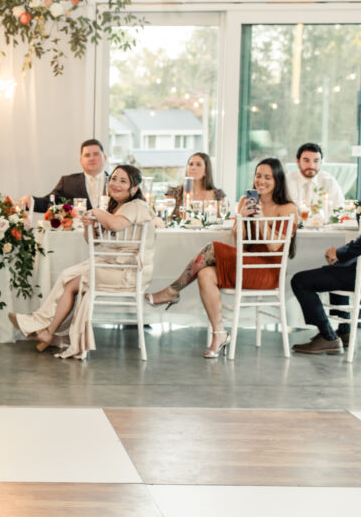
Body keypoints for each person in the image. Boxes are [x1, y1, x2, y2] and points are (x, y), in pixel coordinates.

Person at [146, 158, 297, 357]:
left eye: (268, 177)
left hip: (268, 271)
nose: (261, 181)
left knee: (212, 248)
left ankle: (172, 291)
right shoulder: (245, 201)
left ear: (278, 180)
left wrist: (260, 219)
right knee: (205, 273)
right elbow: (239, 239)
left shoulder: (287, 208)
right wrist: (242, 218)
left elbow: (274, 246)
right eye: (258, 175)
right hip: (246, 263)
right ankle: (219, 334)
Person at [8, 165, 155, 360]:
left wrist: (96, 212)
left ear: (134, 189)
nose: (116, 184)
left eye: (123, 181)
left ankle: (47, 331)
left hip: (128, 272)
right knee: (67, 275)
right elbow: (95, 242)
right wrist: (88, 226)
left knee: (71, 284)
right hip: (114, 266)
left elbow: (115, 224)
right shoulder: (116, 208)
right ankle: (43, 326)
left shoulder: (136, 206)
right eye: (114, 179)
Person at [288, 234, 361, 355]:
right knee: (337, 269)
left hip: (355, 276)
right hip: (353, 272)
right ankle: (344, 332)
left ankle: (327, 336)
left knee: (299, 281)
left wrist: (338, 253)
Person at [20, 139, 109, 212]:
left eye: (96, 154)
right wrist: (31, 200)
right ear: (81, 160)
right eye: (87, 155)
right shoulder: (67, 182)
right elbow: (49, 202)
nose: (92, 158)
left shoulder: (114, 182)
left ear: (105, 157)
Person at [285, 143, 345, 212]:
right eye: (306, 161)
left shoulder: (329, 181)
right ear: (298, 161)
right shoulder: (287, 181)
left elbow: (339, 207)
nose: (311, 166)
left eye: (316, 161)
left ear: (321, 162)